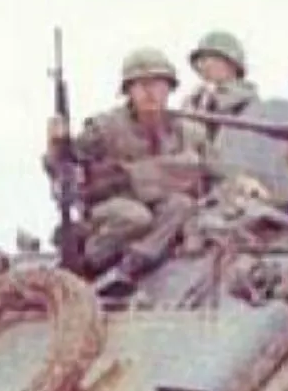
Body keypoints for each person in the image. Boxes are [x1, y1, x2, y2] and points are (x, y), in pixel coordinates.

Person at [43, 47, 215, 291]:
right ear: (128, 91)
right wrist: (56, 144)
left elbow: (214, 171)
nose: (149, 93)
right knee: (135, 216)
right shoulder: (106, 128)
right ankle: (91, 261)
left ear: (169, 88)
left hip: (159, 208)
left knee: (182, 205)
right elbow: (64, 165)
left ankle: (132, 265)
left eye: (157, 84)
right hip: (111, 207)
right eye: (140, 85)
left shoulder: (188, 131)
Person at [180, 30, 259, 135]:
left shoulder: (249, 104)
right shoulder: (193, 102)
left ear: (231, 63)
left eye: (209, 57)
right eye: (201, 60)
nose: (203, 65)